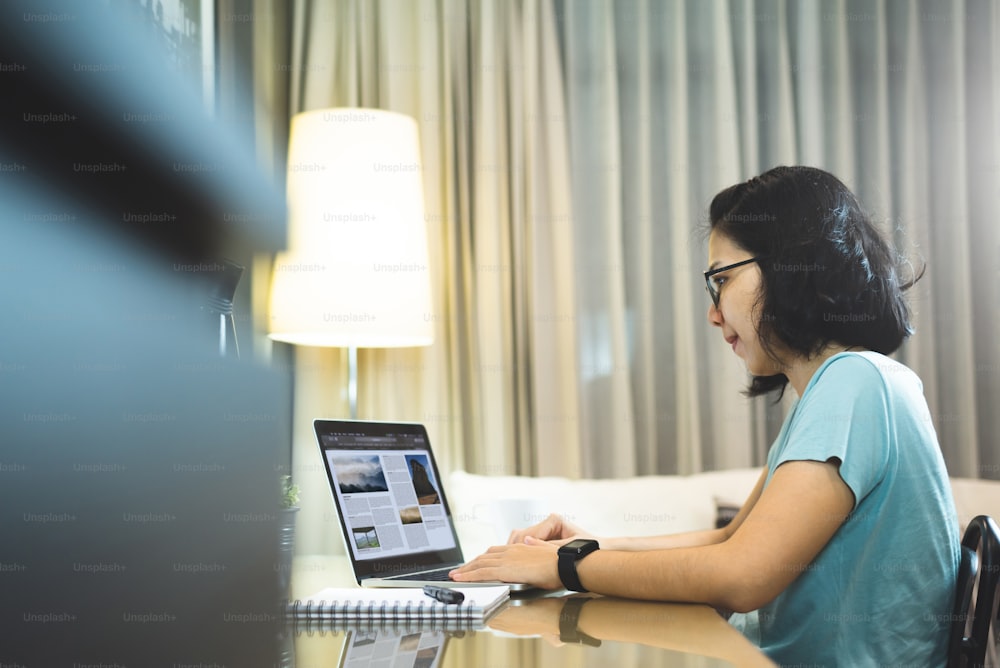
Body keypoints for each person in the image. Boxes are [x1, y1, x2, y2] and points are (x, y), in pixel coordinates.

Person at [450, 166, 961, 665]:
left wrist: (567, 565)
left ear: (790, 266)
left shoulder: (856, 383)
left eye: (722, 279)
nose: (714, 313)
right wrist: (589, 544)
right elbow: (730, 539)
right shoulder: (842, 387)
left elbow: (741, 576)